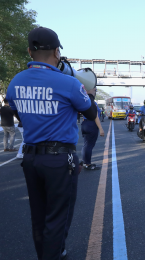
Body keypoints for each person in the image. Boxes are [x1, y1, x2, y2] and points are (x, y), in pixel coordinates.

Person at [5, 26, 98, 260]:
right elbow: (90, 112)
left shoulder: (15, 82)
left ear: (29, 51)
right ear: (57, 52)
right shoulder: (69, 84)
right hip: (59, 160)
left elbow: (19, 116)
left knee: (38, 215)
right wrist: (90, 93)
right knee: (58, 216)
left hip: (30, 158)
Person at [81, 97, 105, 170]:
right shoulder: (92, 103)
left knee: (86, 144)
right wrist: (101, 129)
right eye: (94, 90)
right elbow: (96, 117)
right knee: (89, 145)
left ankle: (85, 162)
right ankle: (87, 164)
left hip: (85, 123)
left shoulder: (85, 102)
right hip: (91, 124)